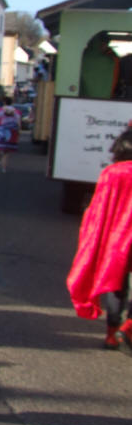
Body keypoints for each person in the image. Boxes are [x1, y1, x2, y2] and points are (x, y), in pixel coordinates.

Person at [67, 128, 132, 349]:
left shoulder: (111, 173)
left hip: (117, 241)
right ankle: (128, 326)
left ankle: (112, 334)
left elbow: (97, 211)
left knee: (117, 286)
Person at [0, 97, 21, 173]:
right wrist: (18, 135)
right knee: (6, 152)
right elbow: (19, 125)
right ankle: (4, 168)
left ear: (4, 102)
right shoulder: (16, 112)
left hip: (0, 132)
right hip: (11, 133)